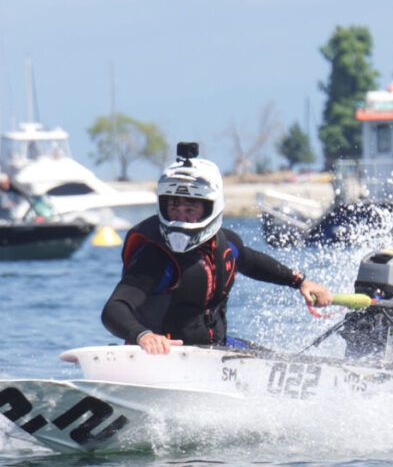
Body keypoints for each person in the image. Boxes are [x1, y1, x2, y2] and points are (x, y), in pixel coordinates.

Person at [102, 143, 333, 355]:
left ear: (210, 207)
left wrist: (301, 282)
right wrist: (143, 336)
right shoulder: (156, 257)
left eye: (190, 209)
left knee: (282, 360)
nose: (181, 217)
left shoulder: (227, 244)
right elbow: (114, 309)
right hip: (165, 357)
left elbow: (255, 263)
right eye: (174, 207)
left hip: (216, 353)